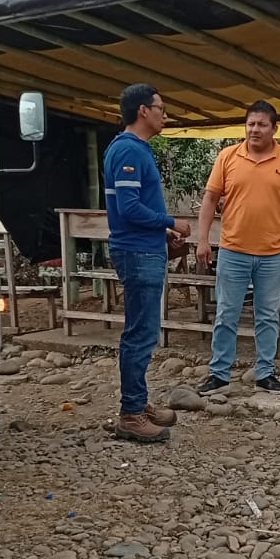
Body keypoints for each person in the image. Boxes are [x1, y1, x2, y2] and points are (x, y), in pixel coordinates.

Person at [195, 101, 280, 395]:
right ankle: (219, 374)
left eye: (262, 124)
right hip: (233, 250)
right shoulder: (227, 157)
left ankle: (265, 373)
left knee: (268, 315)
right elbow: (210, 198)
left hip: (274, 253)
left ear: (274, 129)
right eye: (250, 124)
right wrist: (202, 240)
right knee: (226, 314)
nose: (255, 130)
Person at [103, 82, 191, 443]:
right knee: (141, 333)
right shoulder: (128, 150)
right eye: (160, 109)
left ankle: (137, 402)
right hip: (137, 252)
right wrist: (171, 222)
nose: (164, 115)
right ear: (143, 111)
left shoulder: (133, 149)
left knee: (142, 330)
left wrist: (162, 233)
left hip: (143, 247)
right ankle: (131, 413)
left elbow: (132, 208)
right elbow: (128, 208)